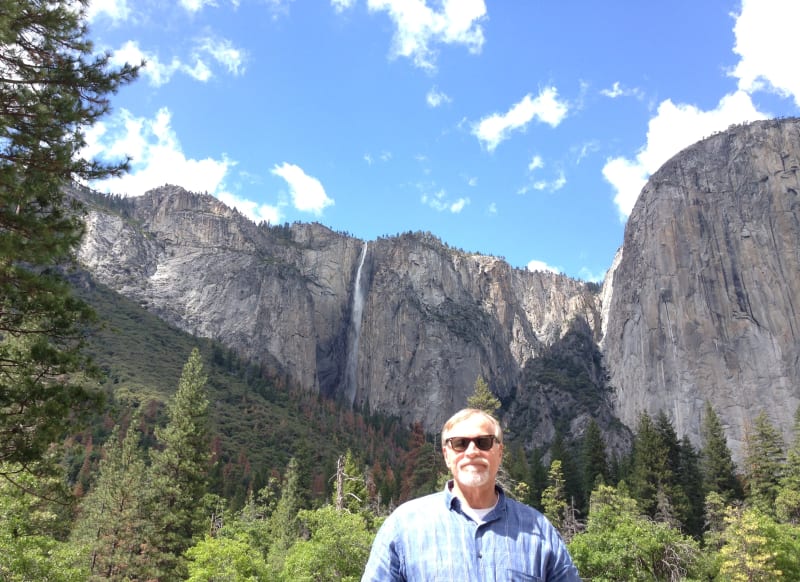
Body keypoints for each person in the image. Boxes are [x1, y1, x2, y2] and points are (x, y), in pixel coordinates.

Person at [362, 408, 581, 581]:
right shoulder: (403, 526)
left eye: (483, 442)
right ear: (447, 455)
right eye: (460, 443)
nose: (472, 451)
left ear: (499, 452)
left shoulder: (539, 529)